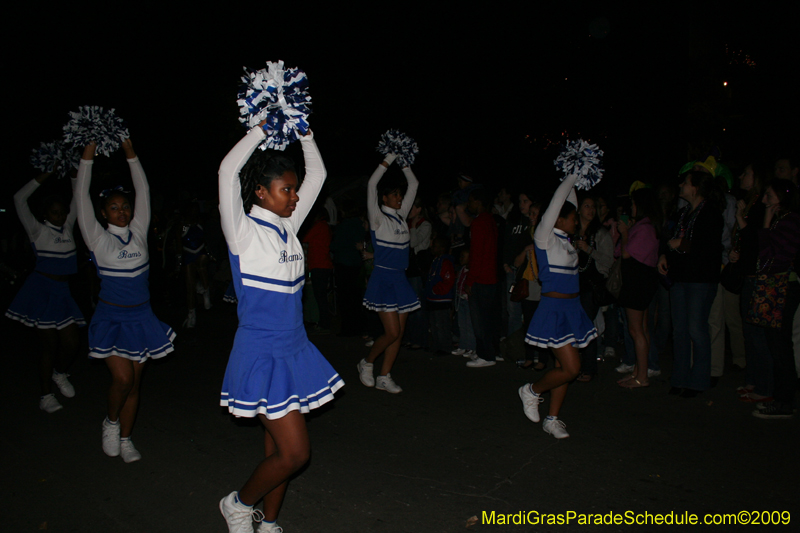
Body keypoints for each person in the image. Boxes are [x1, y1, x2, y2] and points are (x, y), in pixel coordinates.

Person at [217, 124, 344, 533]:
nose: (294, 196)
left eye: (294, 190)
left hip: (294, 348)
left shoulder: (288, 226)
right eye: (285, 190)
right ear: (260, 192)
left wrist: (304, 133)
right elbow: (226, 172)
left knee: (275, 447)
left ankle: (268, 521)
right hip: (261, 351)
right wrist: (261, 128)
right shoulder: (243, 232)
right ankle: (237, 503)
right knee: (295, 453)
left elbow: (319, 176)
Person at [74, 138, 176, 463]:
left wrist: (131, 152)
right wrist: (88, 154)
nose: (122, 211)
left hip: (142, 318)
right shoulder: (97, 237)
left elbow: (142, 189)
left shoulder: (140, 229)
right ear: (103, 212)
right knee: (123, 378)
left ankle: (127, 438)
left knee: (135, 385)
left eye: (125, 206)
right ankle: (111, 421)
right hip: (112, 318)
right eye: (114, 208)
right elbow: (80, 197)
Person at [518, 172, 597, 439]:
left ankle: (552, 419)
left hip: (572, 310)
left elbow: (568, 202)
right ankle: (531, 390)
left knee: (564, 368)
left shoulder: (566, 241)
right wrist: (573, 172)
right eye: (572, 217)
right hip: (553, 310)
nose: (578, 220)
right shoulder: (545, 237)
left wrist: (574, 180)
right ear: (559, 219)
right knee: (572, 369)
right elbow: (558, 201)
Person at [6, 169, 84, 412]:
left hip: (62, 291)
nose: (60, 216)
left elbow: (79, 198)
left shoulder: (68, 226)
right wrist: (45, 175)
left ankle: (59, 374)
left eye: (62, 213)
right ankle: (45, 396)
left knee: (72, 342)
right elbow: (19, 199)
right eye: (54, 212)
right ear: (45, 213)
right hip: (41, 290)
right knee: (48, 346)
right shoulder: (37, 230)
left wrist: (73, 177)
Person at [357, 151, 420, 393]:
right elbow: (372, 183)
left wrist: (405, 162)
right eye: (395, 195)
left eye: (400, 196)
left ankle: (385, 375)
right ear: (384, 198)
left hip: (400, 278)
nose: (400, 198)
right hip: (383, 278)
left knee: (399, 333)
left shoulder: (401, 217)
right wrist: (390, 157)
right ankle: (367, 362)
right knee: (392, 331)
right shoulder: (378, 218)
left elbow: (414, 183)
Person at [657, 170, 723, 398]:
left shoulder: (711, 213)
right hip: (679, 279)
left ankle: (698, 381)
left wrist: (681, 244)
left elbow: (708, 247)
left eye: (685, 182)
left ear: (695, 187)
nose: (681, 185)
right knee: (680, 331)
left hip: (700, 281)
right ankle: (679, 378)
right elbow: (668, 240)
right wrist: (665, 255)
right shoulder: (684, 213)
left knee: (697, 329)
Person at [750, 179, 800, 419]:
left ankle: (783, 402)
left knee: (780, 345)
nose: (764, 200)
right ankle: (781, 399)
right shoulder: (783, 221)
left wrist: (767, 226)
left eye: (768, 195)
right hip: (776, 285)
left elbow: (770, 258)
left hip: (782, 286)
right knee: (776, 343)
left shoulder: (790, 221)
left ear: (781, 197)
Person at [615, 187, 660, 388]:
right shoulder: (642, 226)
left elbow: (626, 254)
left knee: (636, 330)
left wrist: (625, 233)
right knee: (641, 329)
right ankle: (638, 371)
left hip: (638, 282)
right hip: (640, 281)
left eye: (633, 204)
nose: (630, 207)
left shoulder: (645, 228)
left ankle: (642, 377)